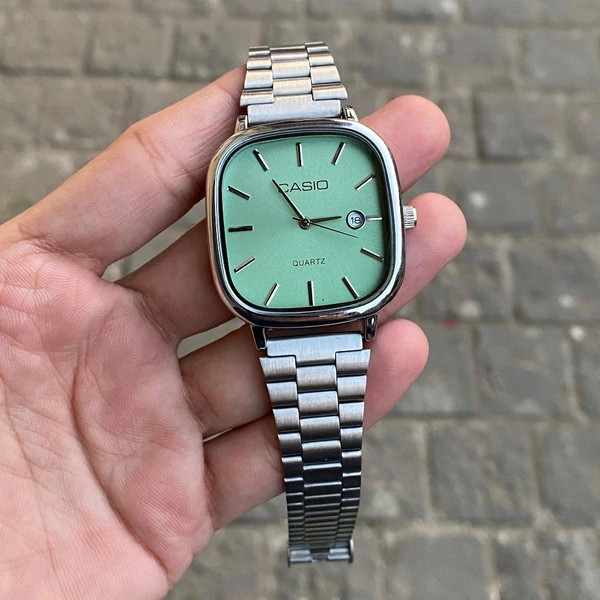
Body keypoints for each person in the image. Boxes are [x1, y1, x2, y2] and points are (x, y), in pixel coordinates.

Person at [0, 66, 466, 599]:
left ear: (399, 219)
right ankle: (324, 538)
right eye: (302, 220)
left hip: (336, 307)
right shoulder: (290, 163)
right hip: (281, 314)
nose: (306, 224)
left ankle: (323, 538)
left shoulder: (330, 155)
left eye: (309, 221)